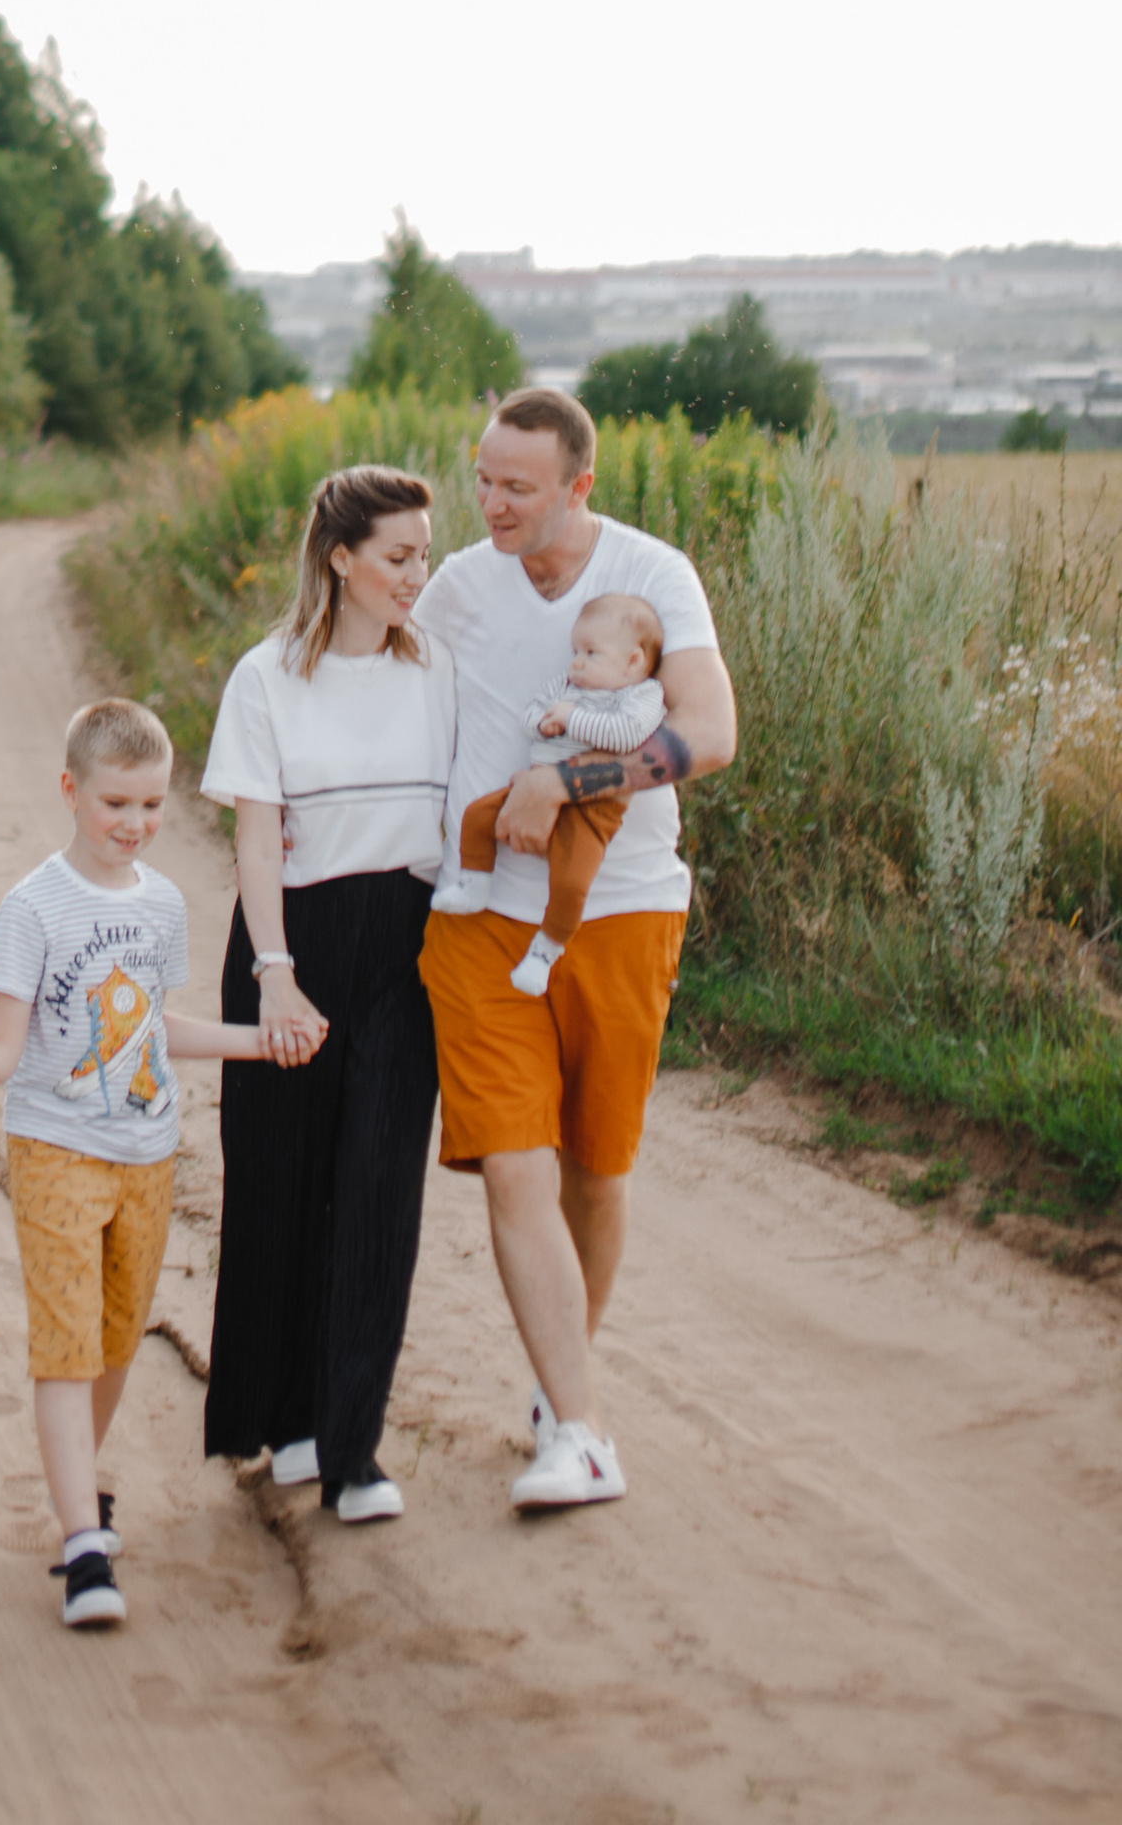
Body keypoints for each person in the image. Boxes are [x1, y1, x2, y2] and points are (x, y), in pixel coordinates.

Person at [415, 387, 738, 1516]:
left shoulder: (653, 577)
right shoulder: (457, 586)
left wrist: (573, 778)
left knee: (596, 1173)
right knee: (515, 1161)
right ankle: (584, 1434)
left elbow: (710, 731)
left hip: (623, 909)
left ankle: (562, 1396)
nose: (493, 503)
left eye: (519, 487)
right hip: (476, 920)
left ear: (576, 488)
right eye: (484, 478)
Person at [0, 695, 274, 1628]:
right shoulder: (35, 908)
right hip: (56, 1151)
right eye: (116, 806)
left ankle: (80, 1490)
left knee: (113, 1342)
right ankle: (82, 1546)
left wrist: (260, 1043)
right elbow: (2, 1054)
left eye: (151, 806)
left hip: (148, 1154)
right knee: (65, 1346)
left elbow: (153, 1026)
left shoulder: (162, 904)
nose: (136, 826)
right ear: (71, 792)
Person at [198, 463, 456, 1525]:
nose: (416, 576)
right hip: (291, 942)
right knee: (280, 1186)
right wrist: (274, 979)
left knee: (378, 1193)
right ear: (340, 559)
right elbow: (257, 842)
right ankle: (288, 1416)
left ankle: (354, 1451)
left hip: (403, 946)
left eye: (423, 556)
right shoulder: (267, 678)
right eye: (397, 558)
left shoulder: (436, 664)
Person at [429, 590, 667, 994]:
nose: (577, 661)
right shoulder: (566, 685)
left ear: (634, 662)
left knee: (572, 882)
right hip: (532, 783)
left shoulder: (641, 697)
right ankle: (474, 882)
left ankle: (547, 947)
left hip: (590, 807)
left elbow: (627, 736)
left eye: (591, 653)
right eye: (575, 649)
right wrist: (541, 723)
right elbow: (532, 711)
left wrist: (573, 719)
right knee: (477, 816)